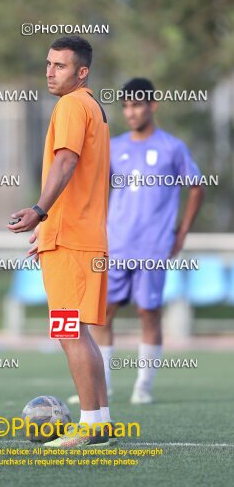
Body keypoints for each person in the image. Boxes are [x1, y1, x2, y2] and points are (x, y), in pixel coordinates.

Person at [68, 77, 205, 406]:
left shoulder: (172, 147)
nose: (131, 112)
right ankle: (104, 385)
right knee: (103, 314)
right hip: (115, 245)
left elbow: (197, 186)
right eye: (126, 106)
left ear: (152, 106)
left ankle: (143, 386)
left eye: (137, 105)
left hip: (153, 247)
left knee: (149, 312)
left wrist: (181, 232)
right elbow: (94, 188)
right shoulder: (113, 146)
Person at [8, 36, 113, 447]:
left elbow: (67, 160)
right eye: (49, 64)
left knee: (69, 332)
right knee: (77, 332)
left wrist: (39, 209)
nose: (51, 71)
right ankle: (100, 423)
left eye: (61, 66)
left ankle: (88, 427)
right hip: (77, 236)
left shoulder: (72, 105)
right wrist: (47, 226)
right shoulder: (94, 107)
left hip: (73, 241)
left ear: (81, 72)